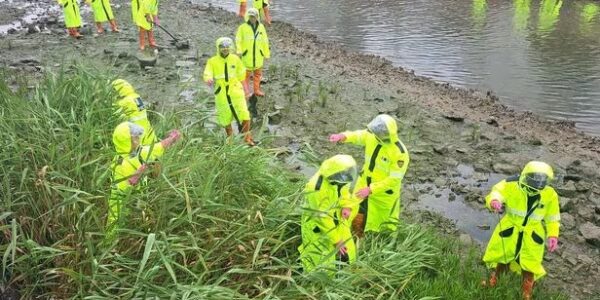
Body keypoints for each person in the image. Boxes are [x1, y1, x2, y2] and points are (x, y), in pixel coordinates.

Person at [482, 161, 561, 300]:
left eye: (542, 180)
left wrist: (553, 235)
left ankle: (526, 292)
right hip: (510, 228)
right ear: (527, 176)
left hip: (532, 234)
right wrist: (494, 201)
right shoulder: (512, 183)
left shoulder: (550, 194)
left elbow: (552, 217)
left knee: (530, 263)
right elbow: (497, 191)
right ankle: (494, 281)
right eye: (535, 179)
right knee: (503, 257)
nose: (539, 183)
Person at [329, 114, 410, 236]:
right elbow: (358, 135)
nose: (375, 135)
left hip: (383, 194)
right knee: (354, 207)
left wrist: (371, 189)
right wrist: (343, 136)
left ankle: (377, 238)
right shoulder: (372, 137)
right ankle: (357, 234)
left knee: (382, 222)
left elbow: (394, 179)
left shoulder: (400, 153)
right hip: (364, 183)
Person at [105, 122, 181, 241]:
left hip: (127, 198)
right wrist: (135, 178)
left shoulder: (128, 153)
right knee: (121, 225)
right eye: (135, 137)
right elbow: (127, 186)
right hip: (127, 199)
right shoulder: (130, 158)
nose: (138, 139)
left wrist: (171, 139)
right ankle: (112, 248)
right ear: (128, 141)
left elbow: (156, 148)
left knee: (124, 223)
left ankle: (121, 245)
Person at [298, 154, 357, 273]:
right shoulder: (316, 188)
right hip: (317, 226)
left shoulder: (339, 176)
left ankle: (346, 269)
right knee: (319, 257)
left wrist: (346, 206)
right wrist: (336, 240)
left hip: (336, 217)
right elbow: (322, 217)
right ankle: (314, 280)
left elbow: (344, 190)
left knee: (348, 249)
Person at [203, 37, 255, 146]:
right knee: (225, 116)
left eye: (227, 47)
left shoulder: (235, 59)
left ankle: (247, 137)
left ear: (230, 47)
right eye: (222, 47)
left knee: (244, 113)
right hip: (221, 92)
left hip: (236, 90)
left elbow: (242, 75)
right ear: (218, 48)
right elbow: (207, 72)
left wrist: (246, 90)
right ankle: (230, 138)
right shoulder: (212, 61)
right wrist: (208, 78)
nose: (225, 49)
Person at [236, 8, 271, 98]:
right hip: (247, 56)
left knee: (257, 75)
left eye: (254, 16)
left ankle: (256, 90)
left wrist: (266, 53)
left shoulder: (261, 27)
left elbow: (265, 41)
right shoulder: (242, 27)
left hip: (258, 56)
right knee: (245, 75)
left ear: (257, 17)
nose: (252, 18)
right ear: (248, 17)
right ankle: (246, 92)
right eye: (251, 16)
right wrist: (239, 50)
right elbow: (238, 40)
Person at [111, 79, 157, 145]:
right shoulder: (137, 97)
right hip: (148, 133)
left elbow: (114, 114)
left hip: (136, 133)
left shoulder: (123, 102)